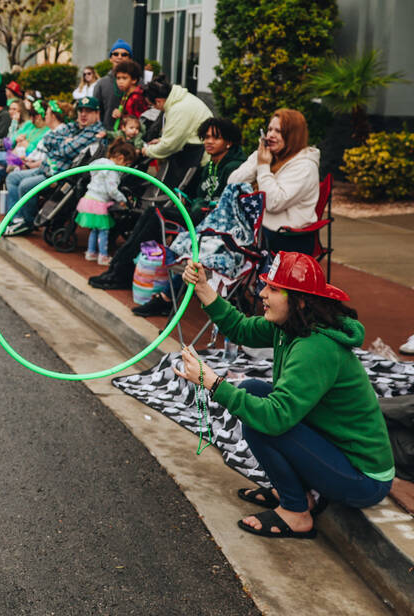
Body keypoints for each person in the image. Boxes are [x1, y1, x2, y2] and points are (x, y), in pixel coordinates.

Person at [177, 255, 393, 539]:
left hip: (362, 479)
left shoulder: (316, 347)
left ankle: (296, 511)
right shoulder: (292, 325)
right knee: (253, 390)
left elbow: (275, 419)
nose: (262, 293)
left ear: (301, 301)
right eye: (266, 284)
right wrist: (204, 288)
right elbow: (241, 328)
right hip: (335, 452)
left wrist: (213, 383)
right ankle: (297, 493)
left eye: (274, 289)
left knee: (262, 420)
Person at [94, 114, 247, 295]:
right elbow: (200, 196)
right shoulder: (210, 165)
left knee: (156, 215)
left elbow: (224, 204)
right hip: (198, 215)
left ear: (228, 142)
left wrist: (198, 205)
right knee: (152, 213)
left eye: (215, 137)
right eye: (206, 137)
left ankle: (122, 271)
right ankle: (120, 267)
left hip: (212, 224)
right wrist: (189, 201)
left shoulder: (233, 167)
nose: (208, 141)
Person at [1, 97, 107, 234]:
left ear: (97, 113)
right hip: (46, 168)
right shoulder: (75, 126)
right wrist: (65, 141)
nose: (83, 114)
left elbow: (66, 151)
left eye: (88, 111)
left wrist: (61, 144)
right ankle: (17, 219)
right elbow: (48, 139)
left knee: (25, 185)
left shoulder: (94, 132)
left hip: (60, 175)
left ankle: (28, 223)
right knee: (12, 178)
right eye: (81, 110)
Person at [228, 108, 321, 255]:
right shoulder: (269, 154)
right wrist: (258, 161)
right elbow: (233, 183)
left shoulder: (305, 166)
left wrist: (263, 166)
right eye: (270, 129)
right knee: (219, 236)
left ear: (292, 136)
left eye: (278, 131)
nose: (271, 135)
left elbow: (273, 203)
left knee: (229, 244)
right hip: (261, 229)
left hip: (288, 238)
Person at [78, 140, 136, 264]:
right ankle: (103, 256)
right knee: (104, 231)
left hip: (89, 199)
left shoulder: (101, 163)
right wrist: (123, 200)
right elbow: (112, 190)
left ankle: (91, 252)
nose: (126, 168)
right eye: (126, 164)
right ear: (120, 158)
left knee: (95, 229)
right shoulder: (112, 170)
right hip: (99, 202)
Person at [93, 40, 133, 129]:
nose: (119, 57)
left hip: (132, 135)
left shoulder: (138, 82)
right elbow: (96, 111)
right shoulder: (102, 83)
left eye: (124, 55)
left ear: (130, 59)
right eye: (115, 54)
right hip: (107, 134)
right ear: (110, 58)